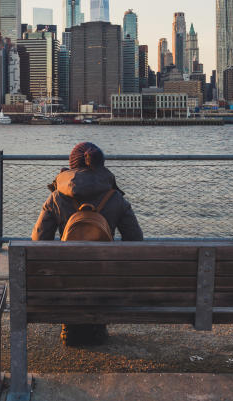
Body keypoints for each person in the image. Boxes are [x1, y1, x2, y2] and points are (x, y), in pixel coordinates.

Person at [31, 141, 143, 346]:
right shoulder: (115, 197)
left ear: (72, 166)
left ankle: (70, 323)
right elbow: (136, 241)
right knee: (104, 270)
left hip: (64, 281)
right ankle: (98, 325)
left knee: (65, 269)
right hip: (105, 279)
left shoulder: (56, 197)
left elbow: (38, 242)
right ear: (100, 165)